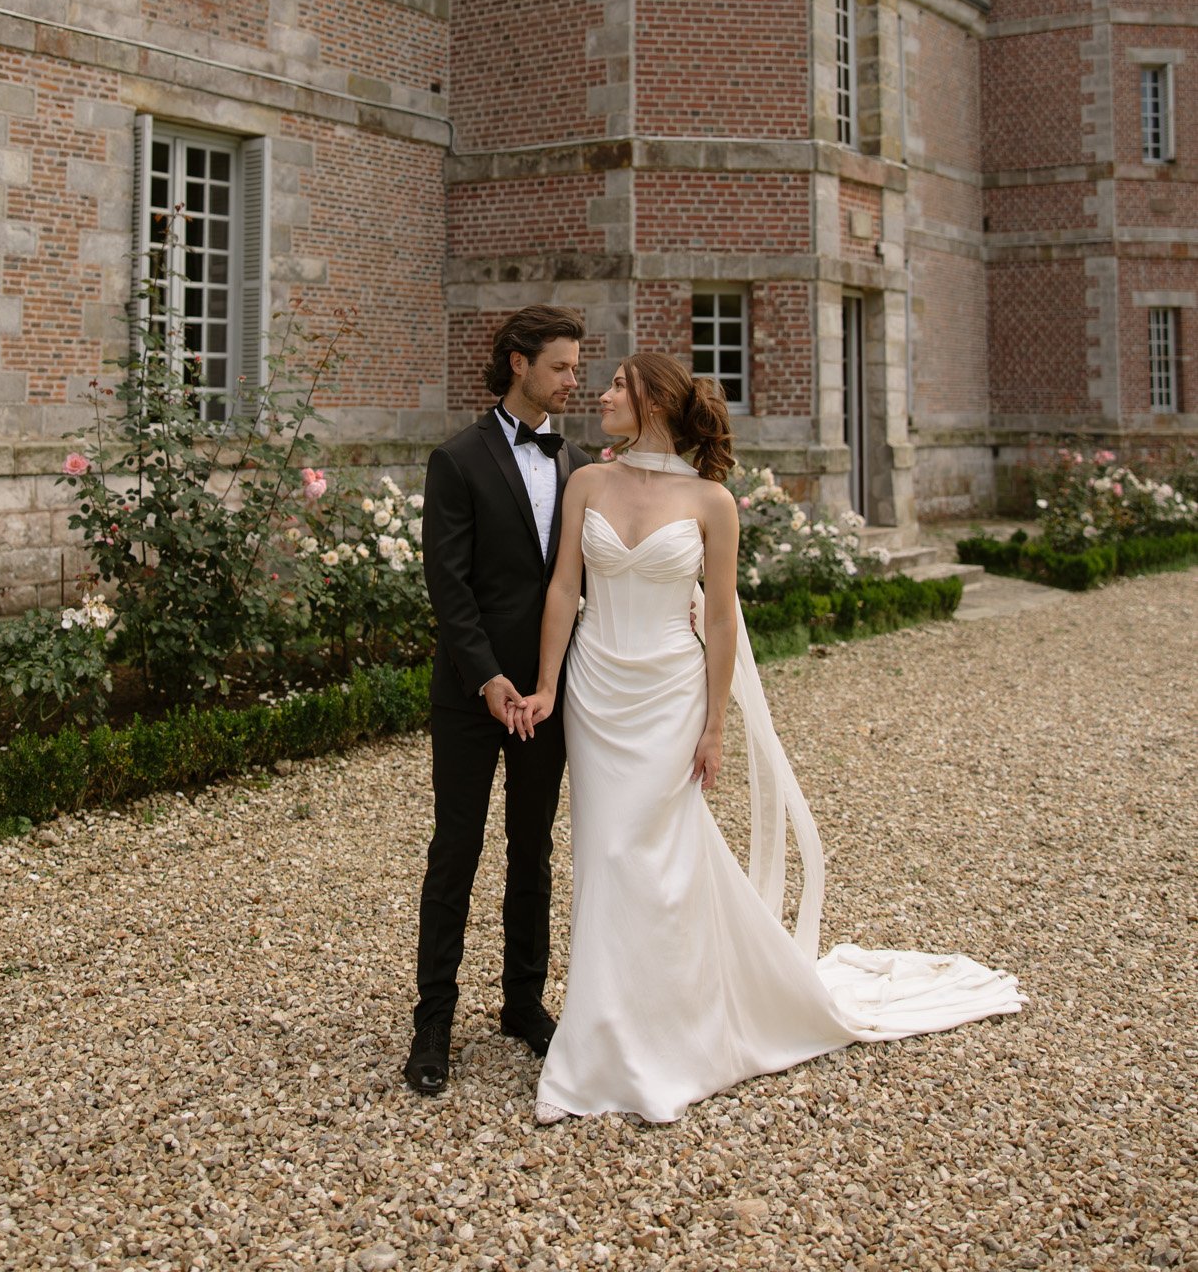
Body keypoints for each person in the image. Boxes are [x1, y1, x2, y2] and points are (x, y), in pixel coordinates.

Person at [516, 352, 1024, 1124]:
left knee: (653, 853)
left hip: (670, 693)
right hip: (596, 690)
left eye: (618, 384)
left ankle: (667, 1032)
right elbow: (563, 588)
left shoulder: (712, 501)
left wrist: (716, 723)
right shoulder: (586, 481)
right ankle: (609, 1033)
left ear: (653, 400)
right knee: (606, 853)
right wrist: (548, 683)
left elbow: (719, 618)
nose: (602, 394)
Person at [404, 304, 591, 1097]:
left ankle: (523, 1003)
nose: (572, 380)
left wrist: (546, 684)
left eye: (578, 368)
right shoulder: (456, 459)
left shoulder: (579, 463)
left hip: (549, 694)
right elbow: (447, 588)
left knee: (533, 852)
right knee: (455, 851)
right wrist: (488, 680)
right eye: (560, 366)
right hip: (470, 693)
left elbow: (577, 581)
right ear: (516, 362)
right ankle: (433, 1024)